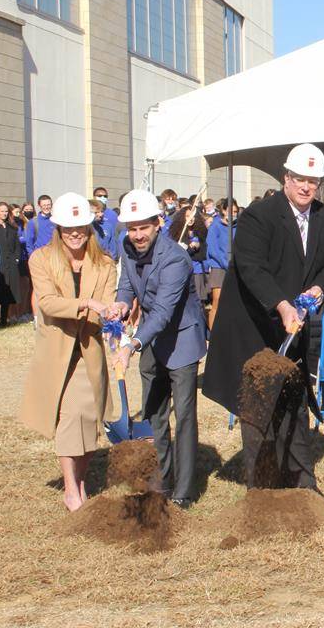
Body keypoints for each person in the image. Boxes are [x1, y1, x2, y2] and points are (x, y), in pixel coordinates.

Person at [203, 143, 324, 490]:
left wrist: (319, 290)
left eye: (313, 180)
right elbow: (251, 268)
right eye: (300, 179)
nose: (306, 187)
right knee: (258, 410)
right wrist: (281, 305)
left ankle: (303, 487)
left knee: (294, 405)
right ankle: (262, 490)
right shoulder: (259, 215)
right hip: (255, 326)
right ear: (286, 178)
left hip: (293, 330)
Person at [105, 190, 208, 508]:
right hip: (153, 340)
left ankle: (185, 491)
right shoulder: (126, 246)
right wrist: (122, 304)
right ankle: (163, 480)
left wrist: (132, 344)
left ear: (158, 224)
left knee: (185, 416)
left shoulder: (176, 259)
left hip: (181, 340)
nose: (137, 235)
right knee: (156, 415)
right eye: (132, 227)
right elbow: (127, 284)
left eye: (143, 227)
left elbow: (163, 311)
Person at [17, 192, 117, 511]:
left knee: (89, 417)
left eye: (81, 227)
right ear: (57, 228)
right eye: (68, 228)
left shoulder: (105, 264)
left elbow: (107, 302)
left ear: (89, 228)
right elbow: (47, 302)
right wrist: (87, 303)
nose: (75, 234)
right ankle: (71, 489)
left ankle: (81, 477)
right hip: (58, 350)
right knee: (70, 416)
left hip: (89, 348)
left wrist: (114, 311)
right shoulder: (41, 259)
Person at [0, 203, 21, 329]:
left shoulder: (12, 228)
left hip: (10, 264)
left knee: (7, 292)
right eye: (2, 211)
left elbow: (17, 246)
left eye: (6, 211)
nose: (5, 214)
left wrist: (16, 258)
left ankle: (4, 320)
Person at [205, 197, 234, 330]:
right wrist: (225, 262)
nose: (233, 214)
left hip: (233, 267)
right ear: (223, 210)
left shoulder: (237, 226)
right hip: (219, 268)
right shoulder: (215, 226)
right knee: (217, 301)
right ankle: (212, 332)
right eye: (230, 211)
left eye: (235, 211)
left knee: (231, 302)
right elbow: (212, 249)